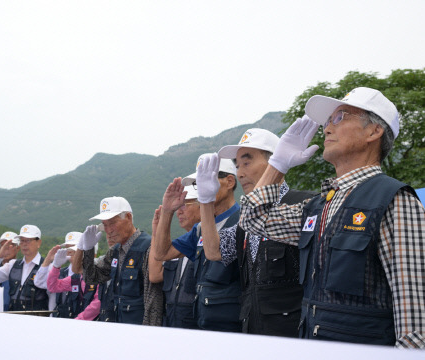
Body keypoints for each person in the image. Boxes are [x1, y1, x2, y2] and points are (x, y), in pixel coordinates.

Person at [241, 87, 425, 348]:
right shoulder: (318, 206)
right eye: (327, 121)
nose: (327, 128)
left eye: (340, 117)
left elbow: (416, 324)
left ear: (374, 131)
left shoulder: (395, 201)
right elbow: (252, 218)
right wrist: (278, 165)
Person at [196, 129, 315, 336]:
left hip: (292, 335)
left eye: (247, 162)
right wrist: (206, 202)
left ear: (274, 162)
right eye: (237, 166)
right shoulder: (246, 220)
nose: (240, 173)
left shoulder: (306, 205)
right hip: (252, 331)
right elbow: (214, 252)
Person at [152, 155, 241, 332]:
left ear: (229, 181)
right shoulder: (200, 229)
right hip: (202, 323)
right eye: (198, 183)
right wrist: (168, 211)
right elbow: (162, 253)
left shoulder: (244, 221)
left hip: (232, 327)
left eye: (207, 179)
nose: (201, 187)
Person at [72, 196, 163, 325]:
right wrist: (88, 249)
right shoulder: (115, 251)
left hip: (139, 330)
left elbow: (153, 300)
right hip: (118, 327)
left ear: (129, 217)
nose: (108, 231)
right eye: (105, 225)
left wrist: (149, 333)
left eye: (113, 223)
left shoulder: (148, 247)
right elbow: (91, 277)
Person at [154, 185, 201, 329]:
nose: (179, 211)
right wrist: (156, 229)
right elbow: (156, 268)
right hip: (173, 321)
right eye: (178, 206)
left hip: (197, 323)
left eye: (185, 205)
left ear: (203, 205)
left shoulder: (212, 235)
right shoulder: (180, 244)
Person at [0, 224, 49, 311]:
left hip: (36, 318)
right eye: (22, 241)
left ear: (39, 243)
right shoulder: (13, 265)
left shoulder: (47, 266)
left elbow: (52, 296)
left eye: (28, 240)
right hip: (14, 317)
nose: (24, 244)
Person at [46, 232, 100, 320]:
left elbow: (97, 305)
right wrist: (56, 267)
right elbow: (53, 287)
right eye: (74, 254)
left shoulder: (101, 275)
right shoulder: (77, 278)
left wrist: (78, 320)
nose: (75, 258)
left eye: (79, 254)